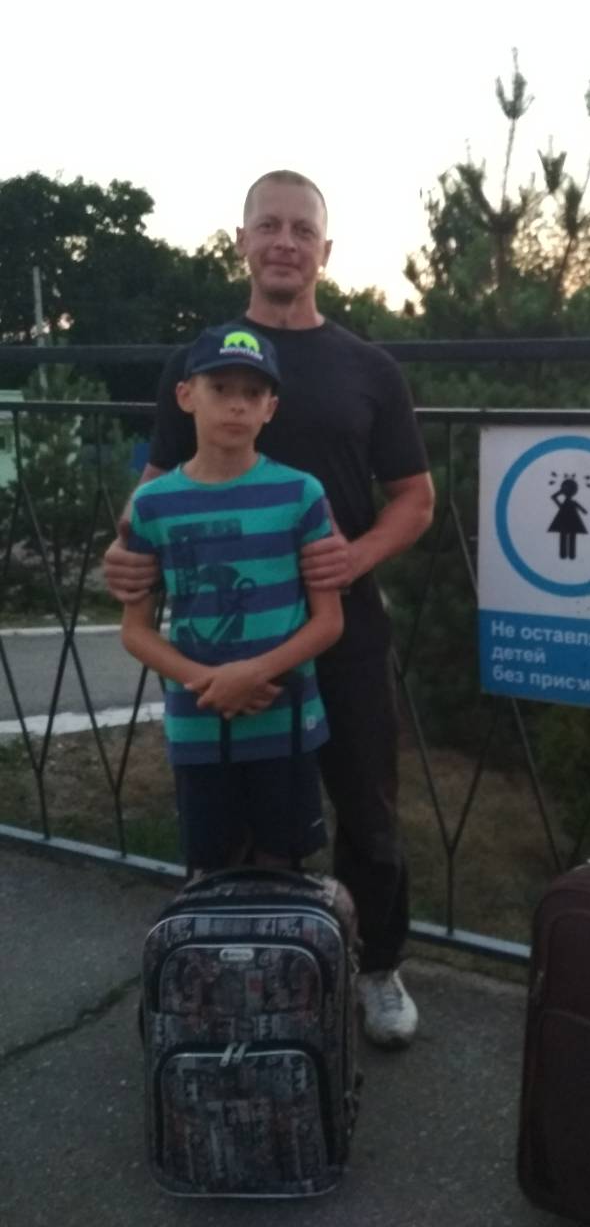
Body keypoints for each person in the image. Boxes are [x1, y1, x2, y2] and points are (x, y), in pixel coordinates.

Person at [105, 171, 435, 1048]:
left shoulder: (370, 368)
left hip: (339, 626)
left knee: (367, 809)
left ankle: (376, 967)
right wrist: (123, 553)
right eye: (269, 226)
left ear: (325, 250)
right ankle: (248, 976)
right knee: (243, 815)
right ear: (243, 240)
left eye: (302, 229)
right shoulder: (200, 361)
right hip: (222, 639)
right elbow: (155, 485)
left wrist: (355, 555)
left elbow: (415, 499)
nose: (285, 242)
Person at [121, 324, 343, 871]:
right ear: (186, 395)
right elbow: (135, 630)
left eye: (252, 392)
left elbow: (328, 621)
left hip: (284, 721)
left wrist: (254, 672)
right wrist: (210, 682)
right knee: (211, 868)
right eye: (220, 389)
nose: (237, 405)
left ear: (271, 408)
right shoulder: (152, 505)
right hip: (199, 723)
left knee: (281, 867)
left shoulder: (301, 493)